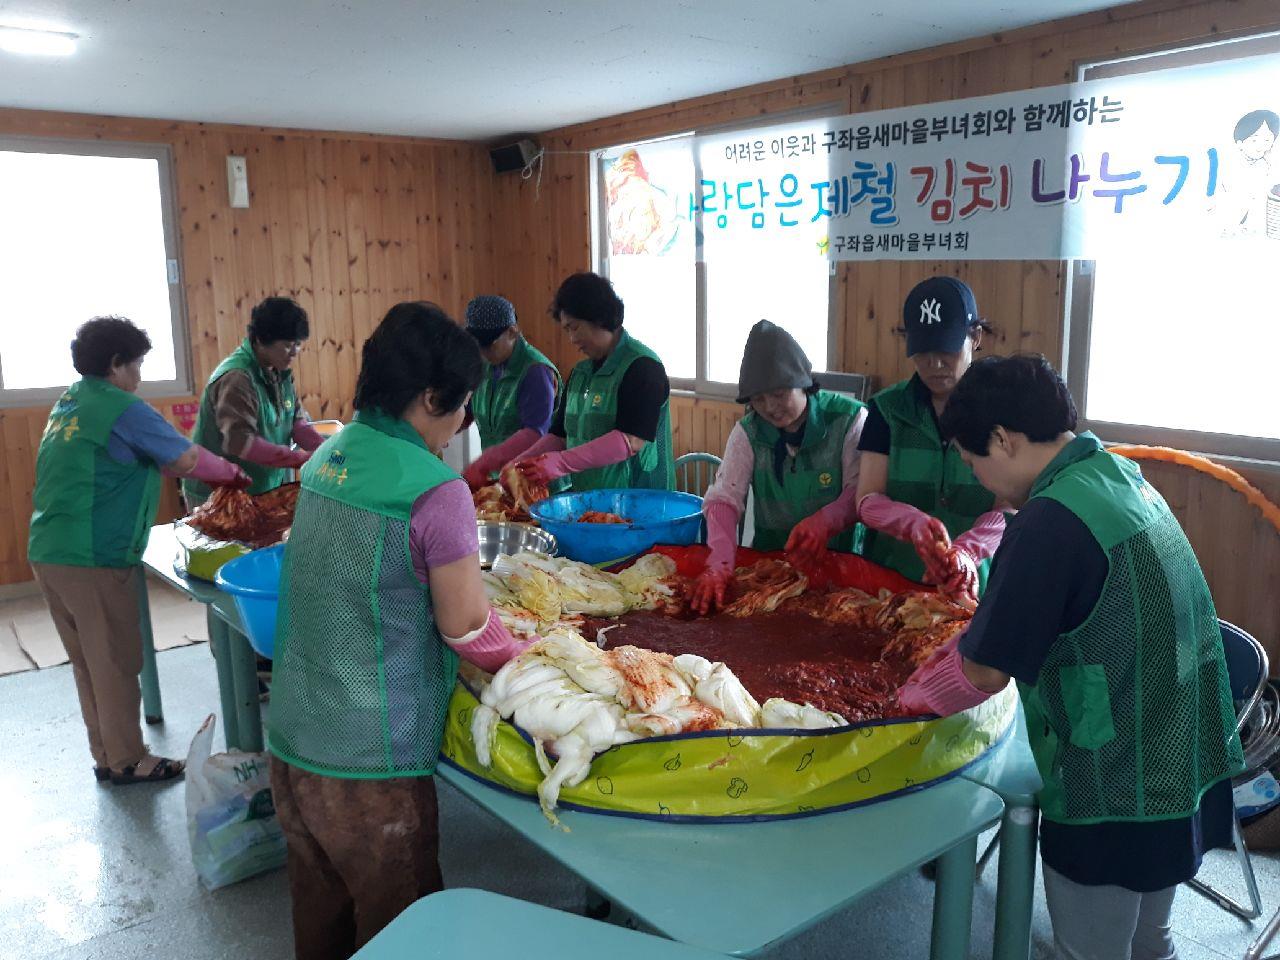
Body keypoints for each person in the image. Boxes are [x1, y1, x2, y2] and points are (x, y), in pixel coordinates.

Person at [898, 354, 1243, 960]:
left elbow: (984, 670)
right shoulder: (1119, 475)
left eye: (975, 458)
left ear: (1002, 439)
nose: (978, 476)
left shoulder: (1048, 522)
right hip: (1182, 751)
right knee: (1149, 939)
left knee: (1090, 949)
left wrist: (903, 700)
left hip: (1115, 780)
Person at [267, 301, 534, 960]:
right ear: (428, 397)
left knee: (321, 911)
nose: (463, 422)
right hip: (369, 766)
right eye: (462, 404)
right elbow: (469, 628)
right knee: (401, 929)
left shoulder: (330, 459)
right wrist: (528, 657)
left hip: (295, 743)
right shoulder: (435, 491)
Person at [28, 317, 250, 785]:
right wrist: (230, 473)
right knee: (116, 662)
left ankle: (109, 755)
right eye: (137, 364)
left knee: (90, 664)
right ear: (116, 364)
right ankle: (129, 760)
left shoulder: (71, 402)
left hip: (49, 549)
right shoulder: (121, 408)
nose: (140, 376)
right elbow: (185, 459)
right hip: (93, 557)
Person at [690, 320, 866, 614]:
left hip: (841, 571)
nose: (770, 407)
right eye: (758, 399)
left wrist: (826, 521)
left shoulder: (850, 420)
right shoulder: (749, 431)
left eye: (780, 394)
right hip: (770, 572)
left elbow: (861, 490)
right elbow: (724, 498)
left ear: (804, 384)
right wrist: (719, 562)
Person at [855, 276, 1006, 601]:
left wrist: (969, 549)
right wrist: (908, 522)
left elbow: (1009, 508)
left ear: (975, 337)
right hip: (890, 582)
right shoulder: (887, 409)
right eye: (923, 351)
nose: (934, 364)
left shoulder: (1002, 413)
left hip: (975, 586)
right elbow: (867, 499)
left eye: (946, 349)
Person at [509, 272, 674, 492]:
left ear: (598, 317)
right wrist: (519, 463)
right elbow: (559, 436)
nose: (572, 339)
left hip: (641, 506)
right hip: (590, 502)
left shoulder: (642, 367)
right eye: (567, 330)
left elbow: (631, 440)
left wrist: (561, 462)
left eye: (574, 327)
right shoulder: (580, 373)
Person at [182, 296, 325, 509]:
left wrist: (327, 450)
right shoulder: (237, 378)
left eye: (297, 345)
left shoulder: (280, 371)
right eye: (287, 345)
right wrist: (299, 458)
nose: (294, 352)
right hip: (217, 495)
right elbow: (241, 443)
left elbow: (296, 422)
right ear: (260, 340)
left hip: (259, 488)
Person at [460, 295, 560, 488]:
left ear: (512, 332)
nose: (483, 352)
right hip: (499, 479)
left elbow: (535, 433)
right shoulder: (486, 365)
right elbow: (469, 411)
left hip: (536, 483)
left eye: (488, 345)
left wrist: (485, 462)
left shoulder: (535, 371)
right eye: (477, 345)